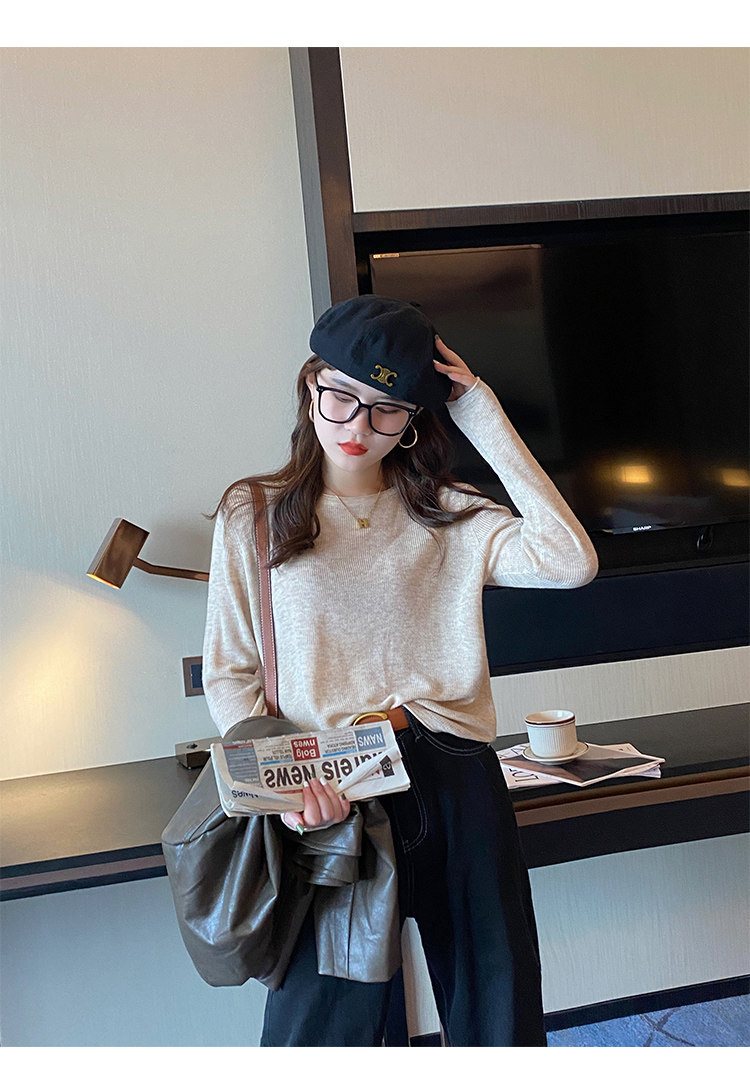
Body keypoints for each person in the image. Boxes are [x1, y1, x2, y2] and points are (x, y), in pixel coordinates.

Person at [203, 294, 598, 1047]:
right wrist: (285, 784)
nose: (358, 426)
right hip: (333, 784)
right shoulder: (253, 513)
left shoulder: (451, 513)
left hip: (453, 775)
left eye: (387, 410)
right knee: (321, 1033)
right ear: (311, 385)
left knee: (498, 1016)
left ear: (414, 419)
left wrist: (478, 408)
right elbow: (231, 672)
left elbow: (570, 561)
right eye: (342, 397)